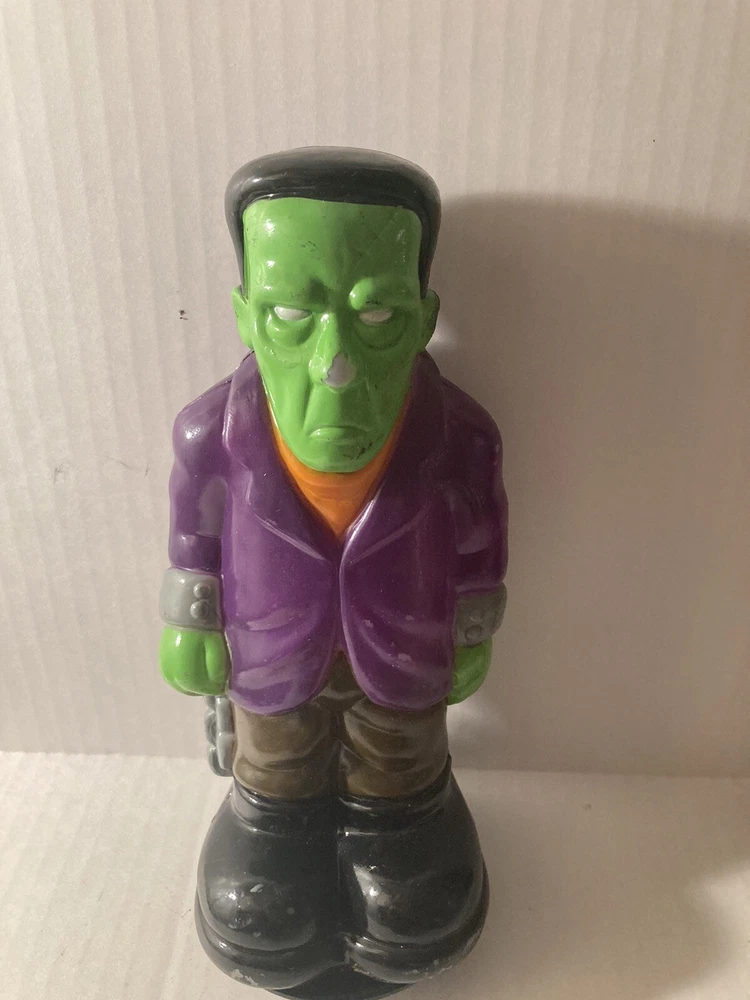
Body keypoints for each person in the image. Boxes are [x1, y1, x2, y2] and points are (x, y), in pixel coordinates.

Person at [159, 147, 508, 996]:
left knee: (399, 758)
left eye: (377, 314)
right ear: (244, 315)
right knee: (277, 759)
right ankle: (273, 829)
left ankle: (400, 825)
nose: (337, 362)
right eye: (290, 314)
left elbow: (480, 544)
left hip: (403, 652)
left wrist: (472, 628)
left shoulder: (461, 438)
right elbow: (194, 535)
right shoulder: (211, 436)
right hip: (270, 656)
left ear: (425, 318)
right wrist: (190, 619)